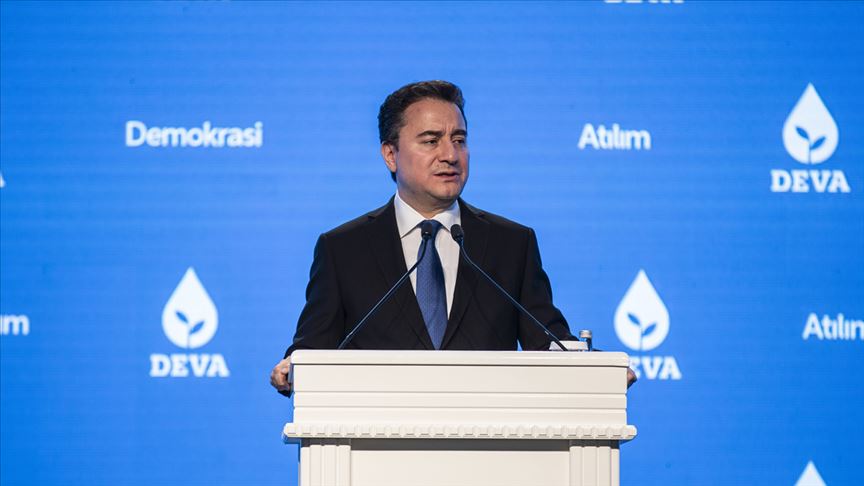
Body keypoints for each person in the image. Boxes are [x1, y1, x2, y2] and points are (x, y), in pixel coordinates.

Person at [270, 80, 631, 396]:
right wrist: (294, 368)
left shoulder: (511, 244)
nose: (450, 155)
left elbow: (549, 342)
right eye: (431, 141)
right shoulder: (343, 249)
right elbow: (313, 349)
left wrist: (599, 371)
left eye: (459, 140)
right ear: (391, 154)